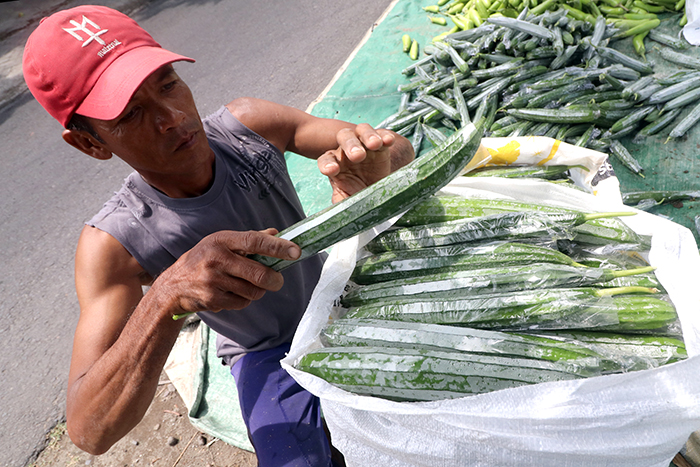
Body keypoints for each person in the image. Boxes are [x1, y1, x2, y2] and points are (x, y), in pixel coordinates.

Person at [22, 5, 414, 467]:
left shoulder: (250, 126)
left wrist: (374, 171)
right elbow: (89, 430)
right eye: (130, 113)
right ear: (90, 143)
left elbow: (398, 149)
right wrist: (167, 297)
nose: (171, 117)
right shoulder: (114, 243)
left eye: (168, 83)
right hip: (268, 352)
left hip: (342, 298)